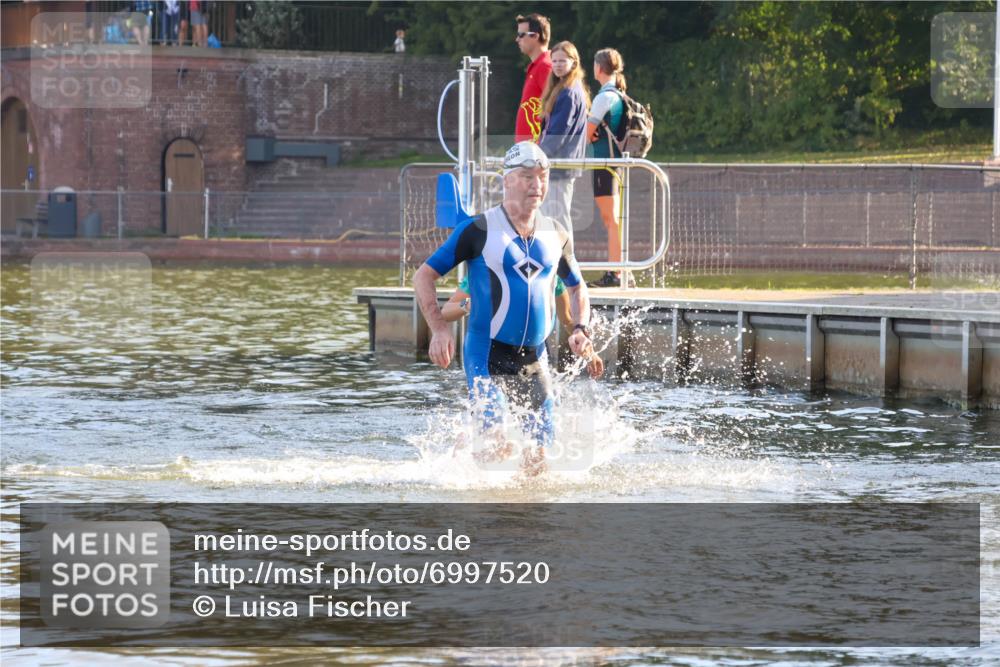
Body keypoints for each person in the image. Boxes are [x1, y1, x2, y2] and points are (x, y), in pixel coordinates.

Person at [412, 141, 597, 475]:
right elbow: (424, 276)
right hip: (486, 353)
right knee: (496, 444)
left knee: (538, 458)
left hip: (534, 357)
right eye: (528, 177)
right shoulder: (478, 230)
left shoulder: (556, 233)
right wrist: (439, 329)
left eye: (542, 176)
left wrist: (580, 329)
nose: (537, 185)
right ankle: (457, 469)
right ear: (507, 180)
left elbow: (576, 286)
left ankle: (523, 523)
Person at [441, 274, 604, 379]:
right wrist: (468, 304)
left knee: (541, 424)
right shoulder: (484, 271)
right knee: (492, 419)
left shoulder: (550, 274)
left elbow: (567, 320)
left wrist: (590, 352)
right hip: (487, 351)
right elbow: (446, 311)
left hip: (532, 351)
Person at [586, 48, 631, 288]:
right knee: (612, 220)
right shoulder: (618, 93)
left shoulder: (604, 96)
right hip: (613, 164)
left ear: (599, 68)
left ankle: (616, 273)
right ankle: (620, 269)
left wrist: (588, 130)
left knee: (610, 220)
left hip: (605, 164)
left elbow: (587, 133)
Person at [538, 40, 590, 240]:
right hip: (559, 165)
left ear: (574, 63)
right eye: (555, 61)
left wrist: (536, 157)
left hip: (561, 166)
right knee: (552, 217)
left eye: (563, 61)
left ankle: (566, 267)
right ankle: (557, 265)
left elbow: (558, 135)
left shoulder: (569, 93)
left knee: (558, 219)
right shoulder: (564, 88)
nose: (558, 64)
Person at [514, 13, 552, 143]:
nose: (517, 39)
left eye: (520, 35)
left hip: (535, 153)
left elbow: (555, 109)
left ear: (535, 36)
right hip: (529, 151)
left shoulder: (545, 66)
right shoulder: (537, 66)